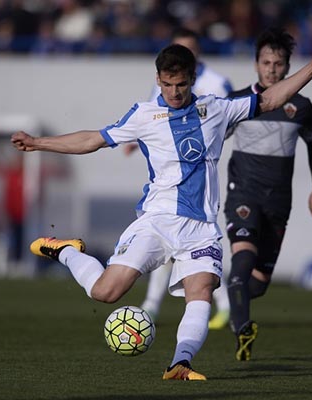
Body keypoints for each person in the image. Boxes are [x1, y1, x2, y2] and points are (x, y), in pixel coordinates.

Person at [11, 37, 312, 380]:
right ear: (158, 80)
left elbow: (271, 98)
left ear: (193, 78)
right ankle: (66, 251)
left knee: (200, 293)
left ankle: (180, 363)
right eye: (167, 84)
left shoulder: (218, 108)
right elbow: (93, 139)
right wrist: (38, 143)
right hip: (157, 221)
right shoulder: (144, 115)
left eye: (181, 84)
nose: (174, 92)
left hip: (201, 229)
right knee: (105, 292)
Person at [224, 28, 312, 361]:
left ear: (287, 66)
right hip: (242, 195)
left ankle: (239, 305)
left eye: (278, 63)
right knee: (240, 264)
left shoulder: (301, 105)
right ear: (255, 64)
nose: (271, 69)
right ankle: (243, 329)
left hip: (278, 201)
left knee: (258, 284)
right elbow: (210, 139)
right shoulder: (237, 102)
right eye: (266, 62)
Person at [132, 27, 234, 330]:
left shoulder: (216, 83)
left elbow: (226, 119)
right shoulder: (165, 81)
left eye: (189, 47)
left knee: (199, 246)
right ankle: (152, 306)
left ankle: (225, 306)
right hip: (168, 171)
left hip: (200, 170)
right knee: (169, 242)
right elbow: (154, 118)